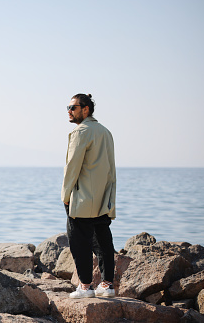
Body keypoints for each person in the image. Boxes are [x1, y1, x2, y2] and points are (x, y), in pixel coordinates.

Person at [61, 93, 116, 299]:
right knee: (103, 241)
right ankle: (108, 285)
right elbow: (111, 168)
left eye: (73, 107)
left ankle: (85, 287)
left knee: (79, 242)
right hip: (103, 197)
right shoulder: (106, 132)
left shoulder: (80, 132)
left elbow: (72, 168)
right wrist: (110, 198)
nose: (69, 111)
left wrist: (65, 195)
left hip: (82, 198)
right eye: (67, 107)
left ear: (86, 109)